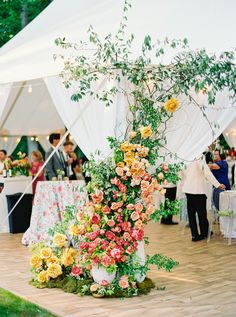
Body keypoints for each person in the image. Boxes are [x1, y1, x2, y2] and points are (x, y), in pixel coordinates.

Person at [181, 156, 225, 242]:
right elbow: (206, 172)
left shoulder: (186, 155)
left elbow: (182, 172)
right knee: (202, 213)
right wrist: (217, 184)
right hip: (197, 190)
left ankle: (195, 235)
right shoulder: (199, 157)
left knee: (191, 214)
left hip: (188, 189)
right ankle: (204, 233)